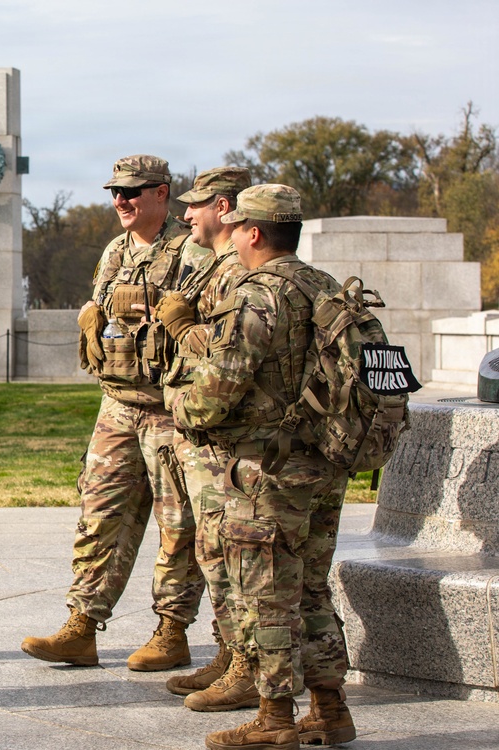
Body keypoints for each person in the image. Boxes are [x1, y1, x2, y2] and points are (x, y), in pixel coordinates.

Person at [163, 184, 356, 750]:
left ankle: (274, 718)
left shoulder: (256, 295)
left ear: (252, 232)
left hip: (267, 472)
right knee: (313, 591)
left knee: (266, 596)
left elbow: (217, 391)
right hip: (323, 464)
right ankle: (329, 709)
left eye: (238, 227)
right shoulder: (324, 285)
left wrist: (180, 405)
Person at [21, 155, 211, 671]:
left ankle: (172, 631)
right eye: (115, 193)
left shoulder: (194, 249)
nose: (121, 202)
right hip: (117, 407)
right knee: (98, 516)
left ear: (162, 193)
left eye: (132, 192)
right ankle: (81, 627)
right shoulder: (115, 251)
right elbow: (104, 312)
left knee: (179, 526)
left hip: (171, 411)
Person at [154, 167, 262, 711]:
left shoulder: (238, 274)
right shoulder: (214, 266)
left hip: (224, 434)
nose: (186, 214)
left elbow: (228, 356)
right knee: (212, 549)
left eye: (195, 205)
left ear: (224, 208)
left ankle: (244, 664)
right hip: (202, 432)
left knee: (229, 554)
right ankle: (228, 652)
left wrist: (180, 328)